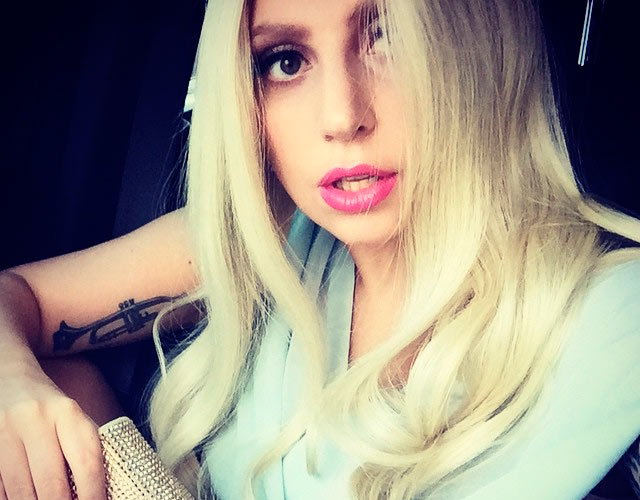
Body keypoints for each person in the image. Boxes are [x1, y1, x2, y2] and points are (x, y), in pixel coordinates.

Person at [0, 0, 639, 499]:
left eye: (390, 37)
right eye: (284, 61)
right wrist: (15, 386)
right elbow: (17, 297)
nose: (342, 116)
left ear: (482, 46)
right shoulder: (266, 239)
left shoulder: (617, 321)